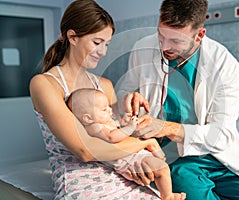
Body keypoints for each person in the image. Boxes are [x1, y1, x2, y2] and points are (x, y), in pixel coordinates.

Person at [117, 0, 239, 199]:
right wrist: (128, 98)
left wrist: (166, 127)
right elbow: (125, 90)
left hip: (218, 157)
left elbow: (222, 134)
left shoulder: (223, 63)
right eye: (161, 35)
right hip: (173, 158)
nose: (164, 46)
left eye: (175, 41)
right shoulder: (142, 48)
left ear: (199, 35)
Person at [29, 0, 165, 199]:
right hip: (81, 182)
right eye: (97, 42)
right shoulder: (45, 84)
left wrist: (131, 114)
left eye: (107, 44)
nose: (103, 52)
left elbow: (118, 137)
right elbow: (85, 150)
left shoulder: (104, 85)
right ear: (72, 37)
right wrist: (146, 144)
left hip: (121, 173)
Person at [67, 88, 186, 200]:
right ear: (87, 118)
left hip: (131, 155)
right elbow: (112, 137)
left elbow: (116, 129)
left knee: (160, 166)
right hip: (129, 160)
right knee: (163, 169)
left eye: (108, 106)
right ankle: (167, 196)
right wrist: (130, 127)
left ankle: (164, 184)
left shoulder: (102, 122)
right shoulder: (94, 127)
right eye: (104, 109)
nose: (109, 110)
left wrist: (124, 122)